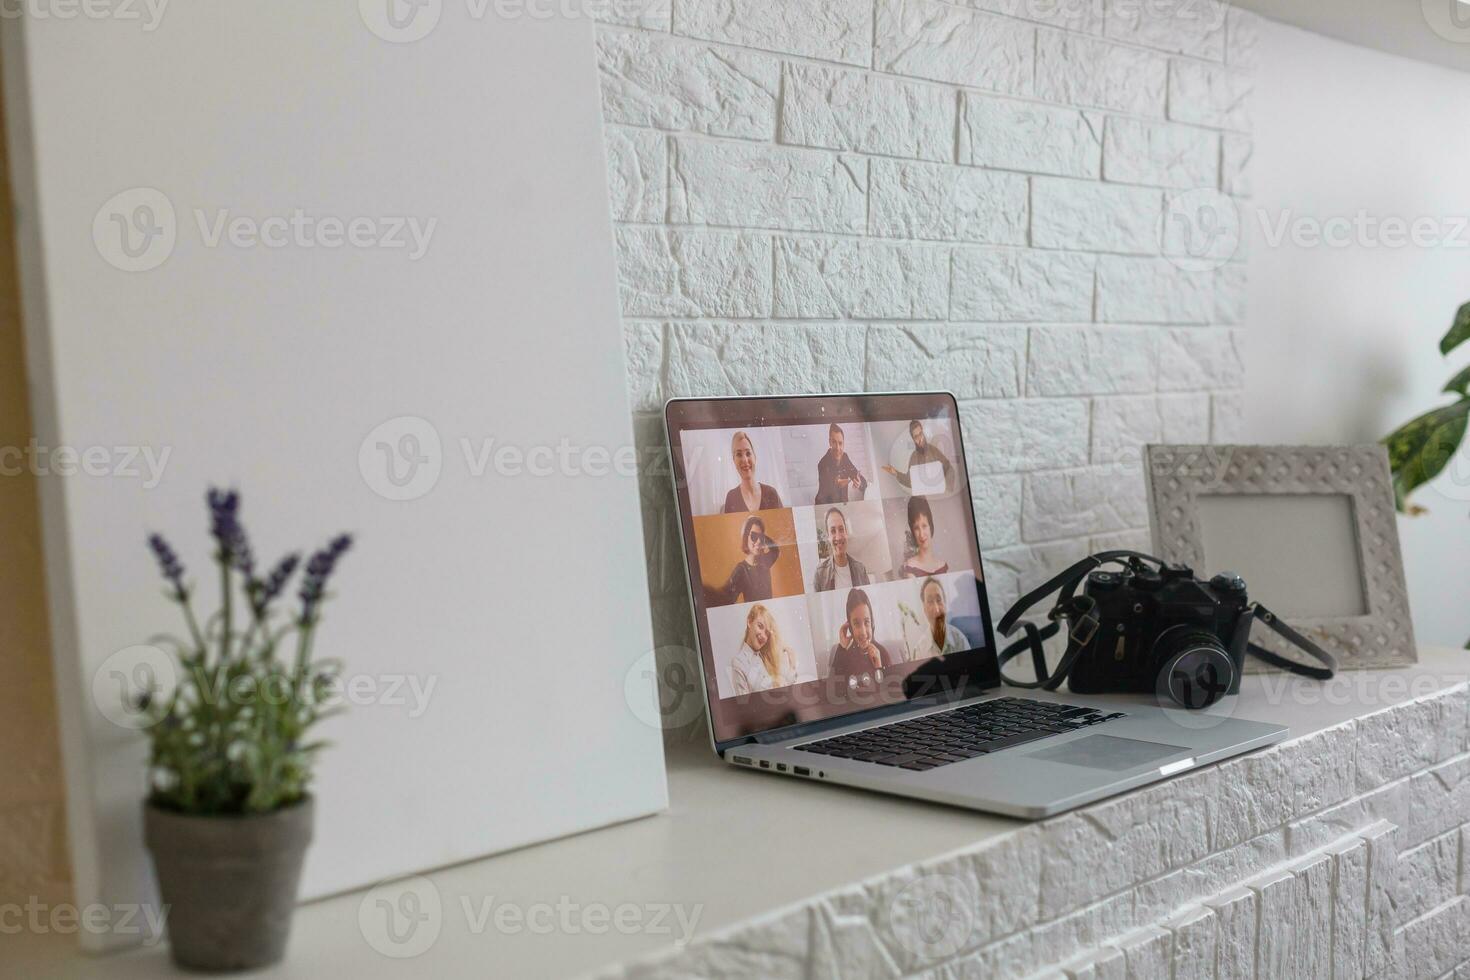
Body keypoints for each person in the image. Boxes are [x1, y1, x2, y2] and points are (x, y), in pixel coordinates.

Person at [729, 604, 799, 694]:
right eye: (760, 626)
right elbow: (744, 703)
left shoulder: (765, 658)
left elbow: (780, 692)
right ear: (749, 622)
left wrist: (792, 666)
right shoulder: (739, 662)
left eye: (767, 633)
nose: (763, 636)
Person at [711, 515, 779, 605]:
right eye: (754, 536)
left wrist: (761, 536)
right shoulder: (741, 570)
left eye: (761, 537)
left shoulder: (764, 562)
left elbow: (775, 550)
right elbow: (725, 597)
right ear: (745, 537)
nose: (758, 541)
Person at [828, 588, 895, 678]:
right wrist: (842, 648)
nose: (863, 632)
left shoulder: (882, 654)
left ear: (872, 623)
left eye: (867, 622)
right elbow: (832, 688)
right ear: (850, 627)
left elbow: (891, 690)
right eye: (856, 624)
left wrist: (878, 668)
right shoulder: (844, 655)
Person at [900, 577, 971, 661]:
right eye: (930, 601)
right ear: (924, 609)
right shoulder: (919, 651)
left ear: (945, 604)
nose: (936, 609)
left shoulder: (960, 640)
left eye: (939, 600)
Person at [882, 420, 955, 494]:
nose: (920, 438)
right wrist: (896, 473)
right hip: (925, 499)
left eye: (920, 434)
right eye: (916, 436)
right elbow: (910, 481)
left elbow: (949, 469)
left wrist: (947, 489)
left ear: (923, 432)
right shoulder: (913, 458)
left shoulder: (934, 451)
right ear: (913, 439)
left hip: (938, 497)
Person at [722, 430, 783, 513]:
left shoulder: (771, 493)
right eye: (739, 454)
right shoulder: (731, 497)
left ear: (755, 457)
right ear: (734, 460)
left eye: (748, 453)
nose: (745, 460)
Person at [812, 507, 870, 592]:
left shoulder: (861, 569)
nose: (838, 537)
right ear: (828, 537)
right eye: (833, 531)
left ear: (846, 532)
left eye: (841, 529)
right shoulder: (819, 573)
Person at [814, 423, 867, 505]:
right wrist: (836, 483)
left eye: (840, 443)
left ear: (843, 443)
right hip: (825, 507)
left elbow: (861, 479)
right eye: (834, 442)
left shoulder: (845, 457)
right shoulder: (822, 464)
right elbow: (826, 489)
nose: (838, 448)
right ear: (830, 442)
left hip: (843, 506)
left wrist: (859, 483)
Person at [899, 495, 949, 578]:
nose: (921, 534)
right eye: (916, 528)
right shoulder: (910, 566)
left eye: (924, 526)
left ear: (931, 526)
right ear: (913, 531)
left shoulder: (943, 566)